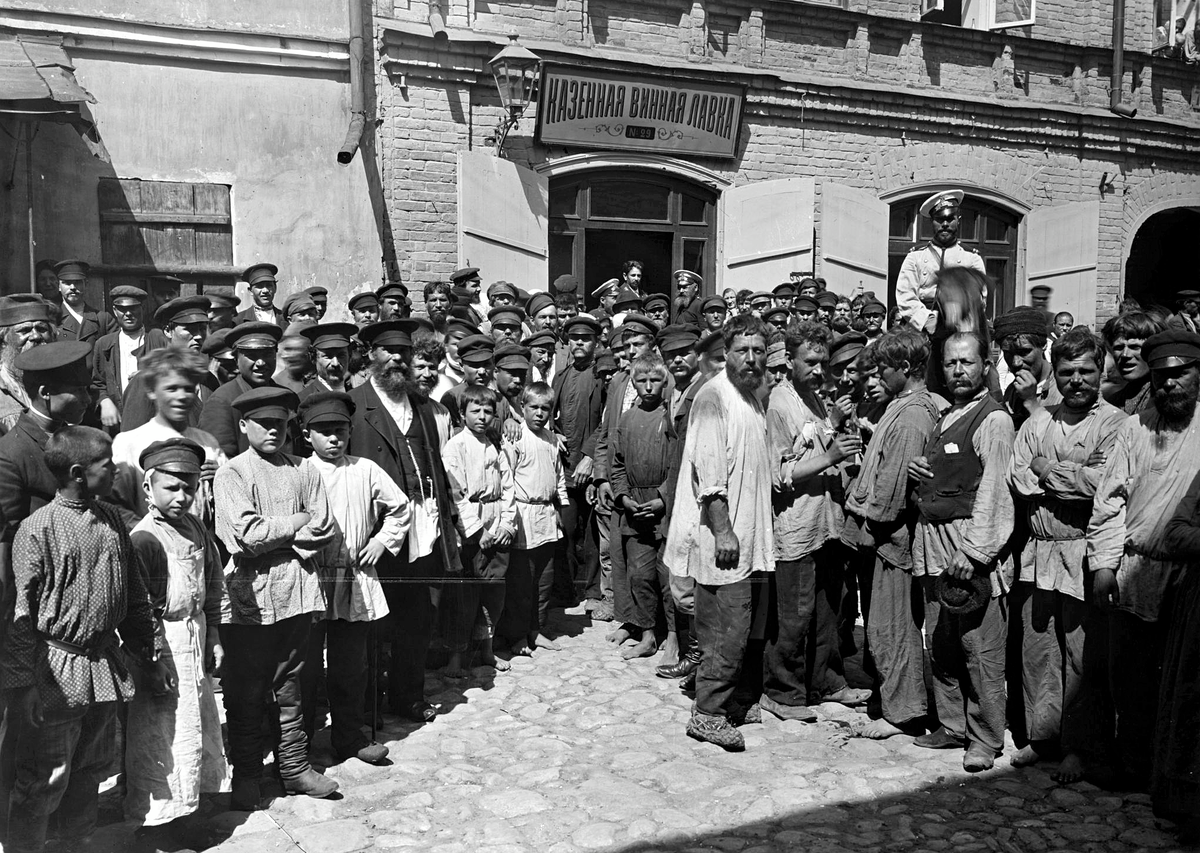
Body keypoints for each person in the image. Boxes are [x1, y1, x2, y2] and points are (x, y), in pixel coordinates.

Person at [2, 425, 166, 853]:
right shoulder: (38, 529)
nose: (116, 470)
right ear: (78, 472)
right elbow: (22, 616)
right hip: (54, 674)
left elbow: (133, 594)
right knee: (44, 778)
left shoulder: (112, 520)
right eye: (106, 464)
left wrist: (150, 653)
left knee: (91, 769)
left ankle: (75, 845)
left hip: (103, 669)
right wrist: (24, 689)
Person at [1007, 327, 1124, 781]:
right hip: (1039, 550)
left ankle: (1080, 747)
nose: (1076, 380)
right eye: (1067, 372)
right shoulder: (1038, 422)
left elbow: (1099, 488)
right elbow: (1019, 478)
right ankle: (1044, 738)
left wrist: (1046, 469)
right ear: (1053, 374)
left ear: (1101, 371)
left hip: (1082, 551)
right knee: (1038, 649)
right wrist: (1063, 474)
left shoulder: (1116, 425)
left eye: (1086, 371)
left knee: (1081, 655)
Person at [213, 385, 339, 810]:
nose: (273, 430)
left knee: (293, 685)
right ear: (244, 425)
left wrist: (282, 534)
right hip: (249, 598)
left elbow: (325, 529)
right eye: (263, 424)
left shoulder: (305, 468)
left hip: (299, 592)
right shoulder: (232, 474)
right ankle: (246, 773)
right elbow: (244, 538)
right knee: (246, 687)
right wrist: (297, 521)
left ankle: (294, 767)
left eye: (280, 424)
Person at [1089, 328, 1200, 792]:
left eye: (1180, 374)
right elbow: (1109, 501)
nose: (1169, 384)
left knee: (1182, 683)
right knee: (1130, 678)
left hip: (1191, 577)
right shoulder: (1137, 428)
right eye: (1160, 377)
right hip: (1137, 573)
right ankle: (1134, 767)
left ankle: (1173, 776)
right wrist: (1103, 566)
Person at [665, 314, 775, 751]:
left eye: (758, 351)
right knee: (725, 629)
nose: (751, 359)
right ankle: (708, 715)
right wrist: (724, 532)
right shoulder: (713, 398)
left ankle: (727, 700)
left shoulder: (750, 398)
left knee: (738, 626)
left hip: (748, 534)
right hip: (722, 539)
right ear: (724, 355)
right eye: (742, 351)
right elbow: (710, 477)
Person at [909, 331, 1015, 772]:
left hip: (967, 549)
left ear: (985, 364)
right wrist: (920, 471)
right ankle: (952, 725)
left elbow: (995, 491)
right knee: (943, 642)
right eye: (951, 363)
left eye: (967, 363)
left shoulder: (994, 420)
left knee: (980, 649)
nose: (958, 371)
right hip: (934, 545)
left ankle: (986, 738)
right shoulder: (947, 414)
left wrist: (974, 550)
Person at [348, 319, 460, 723]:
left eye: (403, 353)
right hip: (375, 530)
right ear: (371, 356)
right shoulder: (355, 404)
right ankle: (369, 703)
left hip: (421, 526)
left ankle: (407, 695)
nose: (397, 359)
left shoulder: (420, 404)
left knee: (416, 617)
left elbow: (434, 462)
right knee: (375, 618)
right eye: (388, 352)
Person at [843, 330, 945, 740]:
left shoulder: (912, 415)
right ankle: (898, 699)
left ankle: (904, 712)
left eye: (884, 368)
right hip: (885, 534)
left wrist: (871, 526)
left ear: (905, 369)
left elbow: (893, 485)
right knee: (888, 624)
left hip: (891, 539)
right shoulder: (903, 405)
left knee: (892, 626)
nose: (878, 375)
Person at [298, 391, 408, 766]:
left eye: (340, 431)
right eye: (324, 431)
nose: (334, 439)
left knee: (351, 664)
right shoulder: (297, 471)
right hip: (309, 581)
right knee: (306, 667)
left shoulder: (365, 469)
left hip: (354, 579)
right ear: (305, 434)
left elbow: (399, 508)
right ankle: (300, 743)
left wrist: (382, 541)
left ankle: (349, 736)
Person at [124, 438, 227, 837]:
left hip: (195, 636)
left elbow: (213, 582)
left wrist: (213, 632)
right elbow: (138, 611)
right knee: (161, 737)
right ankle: (154, 826)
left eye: (190, 487)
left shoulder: (197, 528)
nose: (182, 496)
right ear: (149, 488)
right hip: (161, 645)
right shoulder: (145, 539)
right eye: (172, 487)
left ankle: (188, 813)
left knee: (195, 730)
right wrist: (155, 661)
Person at [765, 321, 866, 723]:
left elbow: (816, 440)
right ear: (789, 361)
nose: (820, 370)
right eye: (811, 362)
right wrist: (831, 455)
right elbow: (779, 474)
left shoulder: (816, 399)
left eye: (824, 362)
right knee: (795, 613)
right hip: (796, 525)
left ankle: (827, 680)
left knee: (830, 607)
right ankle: (781, 691)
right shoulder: (779, 404)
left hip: (827, 522)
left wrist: (834, 425)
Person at [443, 384, 516, 677]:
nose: (482, 417)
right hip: (471, 529)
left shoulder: (494, 445)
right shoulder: (456, 446)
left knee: (493, 594)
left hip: (496, 523)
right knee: (465, 597)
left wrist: (507, 524)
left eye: (488, 411)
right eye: (476, 411)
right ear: (462, 414)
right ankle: (455, 660)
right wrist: (476, 531)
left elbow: (509, 487)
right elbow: (456, 493)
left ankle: (486, 650)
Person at [609, 353, 674, 661]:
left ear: (665, 381)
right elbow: (618, 464)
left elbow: (679, 463)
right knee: (640, 575)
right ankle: (647, 634)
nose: (648, 387)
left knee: (668, 577)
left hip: (666, 508)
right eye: (641, 381)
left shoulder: (671, 416)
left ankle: (673, 638)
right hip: (635, 509)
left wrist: (663, 498)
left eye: (655, 380)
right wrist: (623, 498)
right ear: (633, 382)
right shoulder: (627, 418)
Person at [111, 346, 225, 522]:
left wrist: (222, 478)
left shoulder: (207, 443)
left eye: (187, 389)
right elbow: (117, 506)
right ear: (151, 391)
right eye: (171, 389)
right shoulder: (129, 443)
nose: (181, 396)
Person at [500, 382, 567, 656]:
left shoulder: (552, 440)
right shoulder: (516, 438)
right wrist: (510, 518)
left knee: (543, 581)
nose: (539, 414)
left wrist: (562, 507)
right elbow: (506, 479)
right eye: (534, 407)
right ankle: (516, 636)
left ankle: (536, 630)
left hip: (547, 517)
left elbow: (559, 477)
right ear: (523, 408)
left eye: (545, 409)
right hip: (523, 516)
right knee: (521, 584)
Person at [552, 316, 605, 610]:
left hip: (592, 466)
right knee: (568, 530)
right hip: (566, 468)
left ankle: (592, 593)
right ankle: (568, 590)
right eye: (574, 339)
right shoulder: (560, 377)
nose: (579, 343)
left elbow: (608, 421)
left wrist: (589, 455)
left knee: (593, 532)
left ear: (595, 342)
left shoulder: (601, 375)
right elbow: (551, 415)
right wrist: (554, 434)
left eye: (585, 338)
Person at [119, 295, 216, 433]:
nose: (199, 336)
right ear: (167, 331)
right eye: (190, 329)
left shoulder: (209, 380)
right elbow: (131, 439)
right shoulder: (147, 380)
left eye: (202, 328)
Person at [895, 190, 988, 333]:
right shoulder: (915, 256)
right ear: (931, 222)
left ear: (959, 220)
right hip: (921, 328)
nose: (945, 224)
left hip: (958, 328)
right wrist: (927, 320)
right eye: (939, 219)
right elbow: (905, 296)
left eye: (950, 218)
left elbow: (978, 300)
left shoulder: (971, 258)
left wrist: (955, 321)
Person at [199, 321, 284, 459]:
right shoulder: (222, 401)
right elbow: (221, 461)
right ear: (236, 359)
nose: (261, 363)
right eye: (252, 355)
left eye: (267, 354)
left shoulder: (286, 397)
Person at [92, 285, 166, 432]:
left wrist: (147, 376)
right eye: (122, 309)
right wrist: (104, 401)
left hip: (152, 419)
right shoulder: (104, 344)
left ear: (142, 309)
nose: (128, 314)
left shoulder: (157, 339)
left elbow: (172, 375)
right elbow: (98, 383)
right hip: (117, 421)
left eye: (133, 308)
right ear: (114, 310)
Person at [994, 305, 1063, 428]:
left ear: (1044, 345)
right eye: (1008, 353)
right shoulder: (1012, 391)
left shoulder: (1063, 388)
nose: (1016, 363)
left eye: (1024, 352)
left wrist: (1031, 401)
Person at [0, 294, 55, 435]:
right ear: (3, 338)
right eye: (24, 330)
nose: (36, 336)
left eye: (42, 329)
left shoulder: (60, 383)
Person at [1101, 311, 1164, 414]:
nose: (1125, 354)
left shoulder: (1163, 396)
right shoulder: (1116, 400)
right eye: (1118, 347)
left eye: (1135, 347)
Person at [52, 260, 115, 344]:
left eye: (77, 282)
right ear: (59, 286)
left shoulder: (103, 320)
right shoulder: (53, 319)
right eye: (67, 283)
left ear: (86, 284)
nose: (73, 287)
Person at [300, 322, 357, 397]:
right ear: (313, 358)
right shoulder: (304, 400)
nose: (335, 363)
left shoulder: (359, 396)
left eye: (341, 355)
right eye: (328, 356)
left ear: (349, 356)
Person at [274, 324, 315, 395]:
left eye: (296, 349)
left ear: (311, 351)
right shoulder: (277, 383)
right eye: (287, 349)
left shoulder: (329, 377)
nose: (286, 355)